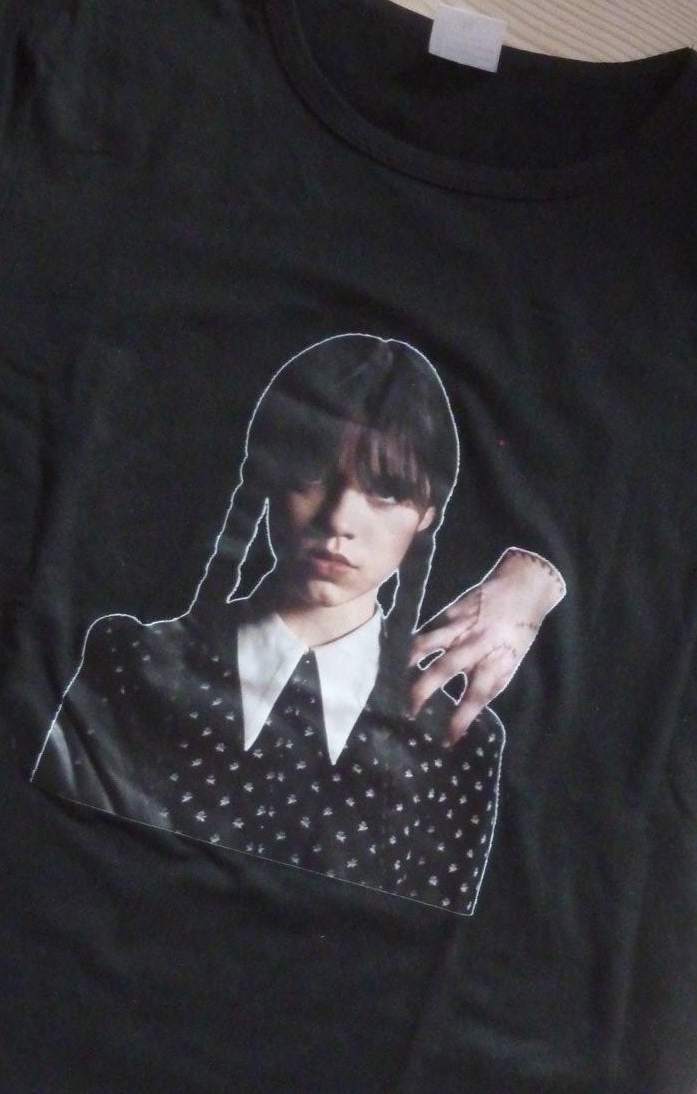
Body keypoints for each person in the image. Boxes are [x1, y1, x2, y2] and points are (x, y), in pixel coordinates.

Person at [29, 332, 565, 915]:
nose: (338, 519)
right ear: (267, 476)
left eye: (386, 493)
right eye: (311, 473)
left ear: (426, 517)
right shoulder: (130, 661)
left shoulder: (459, 747)